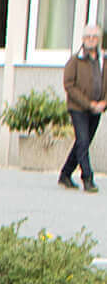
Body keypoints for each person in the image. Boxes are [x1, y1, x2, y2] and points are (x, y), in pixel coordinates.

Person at [60, 22, 101, 192]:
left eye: (94, 37)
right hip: (78, 108)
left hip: (97, 109)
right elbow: (69, 85)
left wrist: (103, 102)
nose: (91, 40)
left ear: (99, 40)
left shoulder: (102, 61)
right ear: (83, 39)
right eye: (88, 37)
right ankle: (87, 178)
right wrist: (88, 103)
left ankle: (65, 174)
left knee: (83, 143)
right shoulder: (75, 60)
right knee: (83, 141)